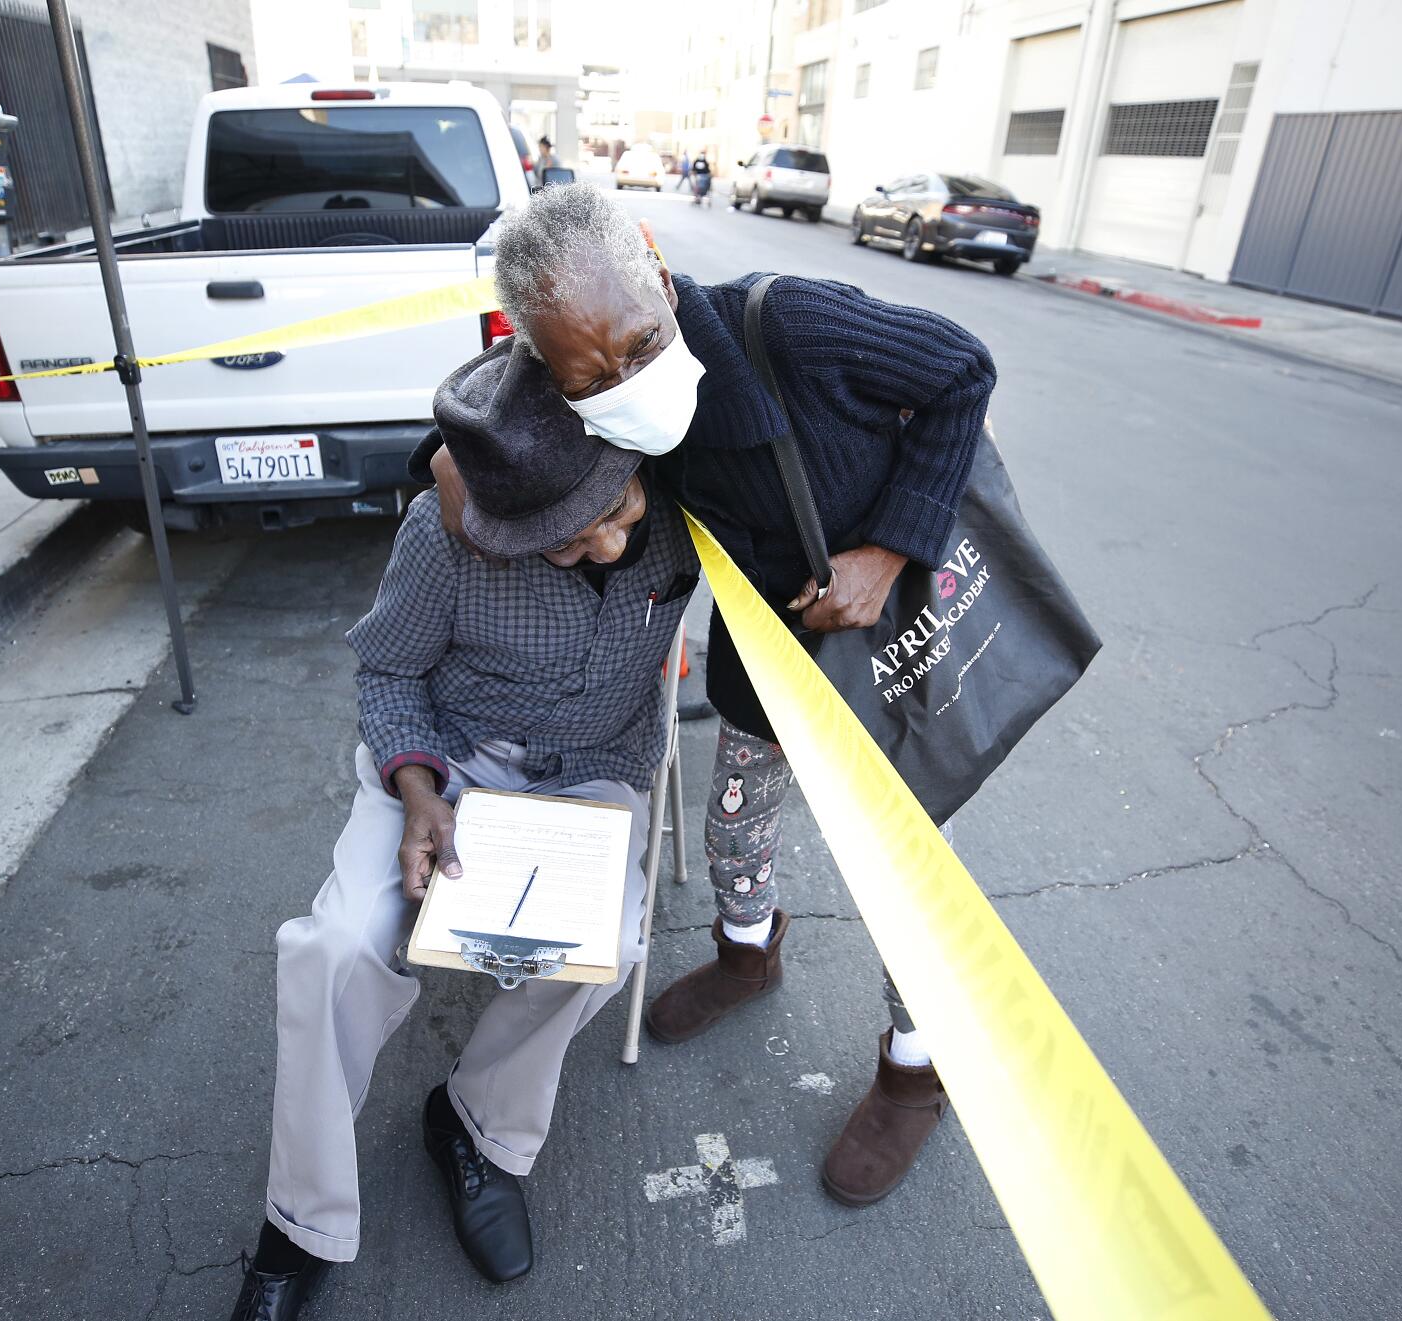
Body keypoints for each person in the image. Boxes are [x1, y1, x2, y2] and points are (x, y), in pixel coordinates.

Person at [425, 183, 996, 1208]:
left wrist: (888, 544)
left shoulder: (800, 329)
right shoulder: (567, 370)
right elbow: (482, 431)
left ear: (653, 266)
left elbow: (962, 372)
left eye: (640, 342)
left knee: (907, 876)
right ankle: (745, 955)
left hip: (885, 632)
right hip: (763, 650)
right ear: (548, 363)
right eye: (588, 374)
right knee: (735, 825)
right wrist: (441, 468)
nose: (623, 381)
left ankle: (916, 1068)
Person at [228, 338, 699, 1319]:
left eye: (615, 515)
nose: (605, 545)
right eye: (565, 539)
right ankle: (301, 1219)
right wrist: (418, 788)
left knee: (602, 946)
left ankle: (476, 1128)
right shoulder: (442, 532)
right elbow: (389, 671)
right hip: (448, 765)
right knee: (337, 947)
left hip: (589, 771)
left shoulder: (687, 508)